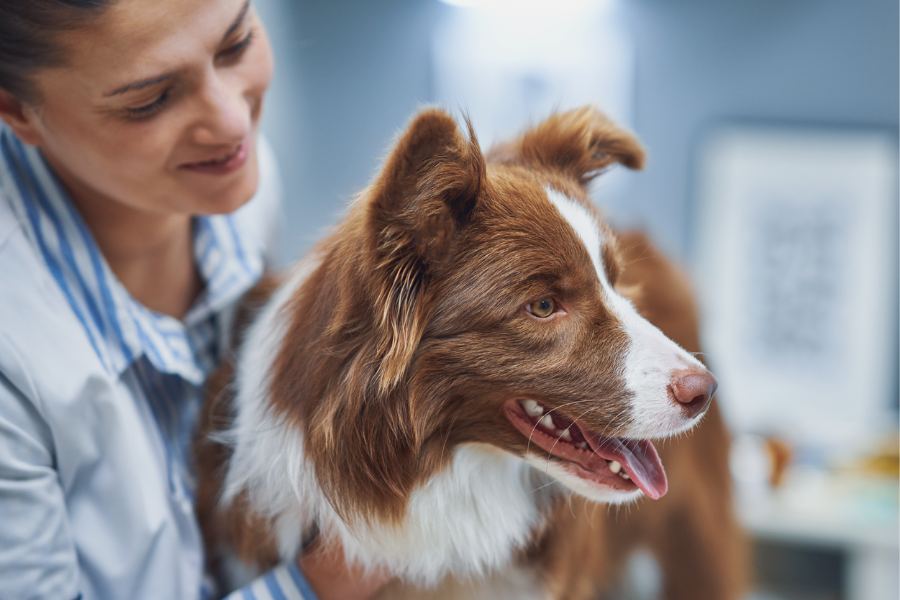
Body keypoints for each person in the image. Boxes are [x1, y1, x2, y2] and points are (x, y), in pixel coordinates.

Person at [0, 1, 389, 598]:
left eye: (235, 44)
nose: (233, 123)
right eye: (149, 100)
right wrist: (322, 582)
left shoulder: (235, 189)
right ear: (15, 110)